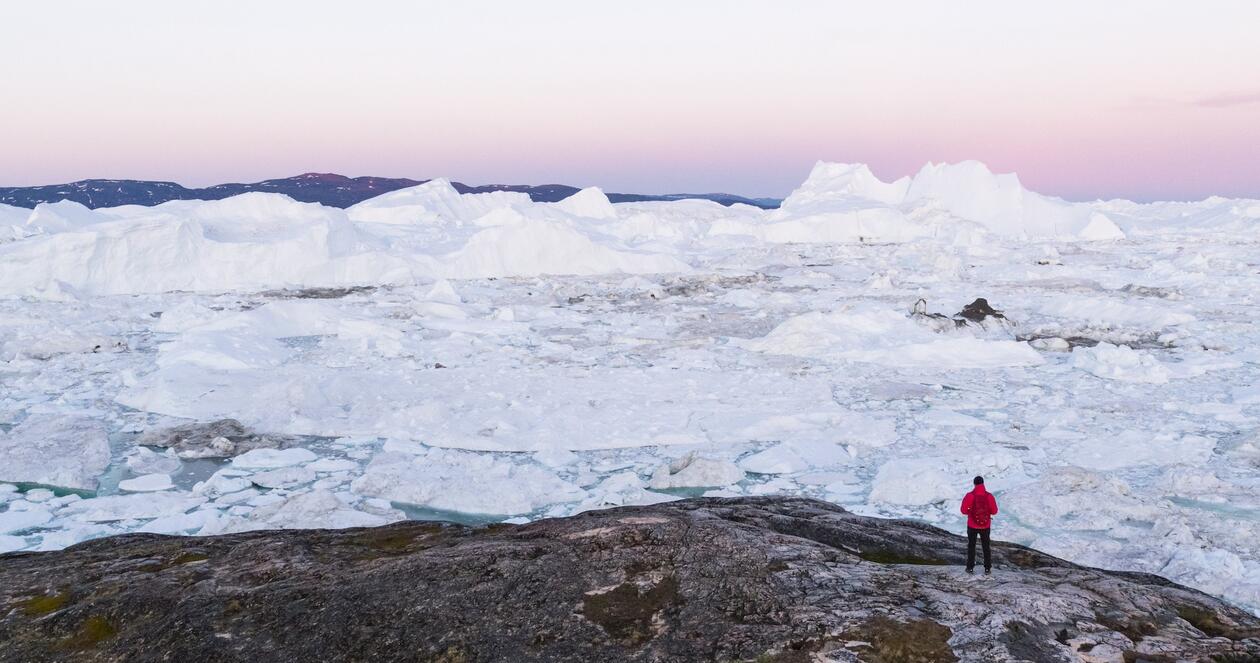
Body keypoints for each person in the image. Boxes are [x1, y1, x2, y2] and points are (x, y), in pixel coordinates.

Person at [961, 475, 998, 574]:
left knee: (971, 546)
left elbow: (963, 510)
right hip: (985, 526)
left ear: (974, 484)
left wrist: (971, 512)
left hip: (972, 525)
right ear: (983, 483)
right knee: (986, 546)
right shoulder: (989, 496)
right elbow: (994, 511)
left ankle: (970, 567)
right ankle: (987, 568)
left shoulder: (970, 495)